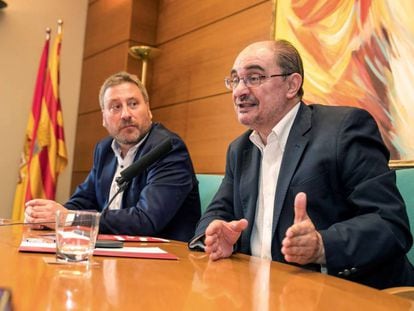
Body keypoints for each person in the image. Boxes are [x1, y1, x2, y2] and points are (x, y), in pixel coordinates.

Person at [189, 40, 414, 289]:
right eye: (235, 80)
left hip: (344, 293)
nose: (239, 91)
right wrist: (215, 234)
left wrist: (321, 246)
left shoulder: (344, 129)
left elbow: (390, 224)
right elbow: (217, 212)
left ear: (292, 84)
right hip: (261, 290)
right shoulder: (240, 149)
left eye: (254, 78)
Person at [25, 71, 201, 242]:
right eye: (116, 107)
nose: (126, 114)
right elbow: (83, 200)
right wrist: (50, 216)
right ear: (104, 118)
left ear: (148, 110)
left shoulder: (167, 148)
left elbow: (146, 220)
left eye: (133, 104)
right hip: (113, 254)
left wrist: (70, 218)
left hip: (164, 262)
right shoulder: (104, 150)